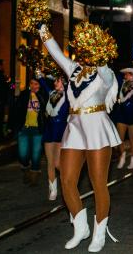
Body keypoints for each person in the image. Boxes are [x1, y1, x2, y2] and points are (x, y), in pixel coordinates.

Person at [39, 23, 121, 252]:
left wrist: (98, 47)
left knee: (98, 184)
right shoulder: (73, 69)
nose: (85, 52)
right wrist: (41, 27)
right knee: (66, 180)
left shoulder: (105, 73)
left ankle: (99, 233)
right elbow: (55, 51)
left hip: (97, 129)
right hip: (74, 129)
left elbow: (102, 60)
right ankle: (81, 227)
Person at [38, 73, 69, 200]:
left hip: (60, 131)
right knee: (50, 163)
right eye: (55, 81)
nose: (55, 83)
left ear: (63, 82)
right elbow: (44, 84)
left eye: (58, 81)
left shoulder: (69, 95)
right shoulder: (52, 94)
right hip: (49, 130)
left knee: (57, 163)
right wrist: (40, 73)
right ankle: (53, 190)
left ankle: (68, 183)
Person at [14, 78, 47, 186]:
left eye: (36, 84)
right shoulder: (24, 95)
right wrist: (14, 127)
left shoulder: (42, 96)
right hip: (24, 129)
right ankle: (26, 169)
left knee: (36, 155)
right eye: (32, 83)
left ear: (40, 85)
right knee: (22, 155)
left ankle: (34, 177)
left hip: (37, 130)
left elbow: (47, 111)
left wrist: (40, 94)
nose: (33, 86)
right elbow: (16, 109)